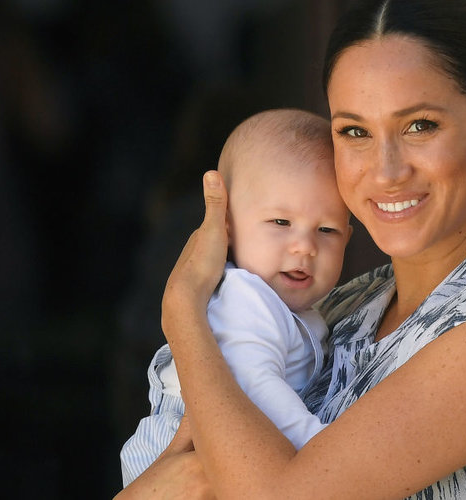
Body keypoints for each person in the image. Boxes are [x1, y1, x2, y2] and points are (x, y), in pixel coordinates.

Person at [116, 0, 466, 500]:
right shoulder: (346, 305)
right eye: (354, 132)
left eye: (419, 126)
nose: (386, 171)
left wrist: (184, 310)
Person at [119, 108, 352, 485]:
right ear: (226, 226)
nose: (305, 246)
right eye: (281, 222)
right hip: (179, 454)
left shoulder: (300, 309)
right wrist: (318, 447)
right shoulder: (245, 299)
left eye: (327, 230)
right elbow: (256, 385)